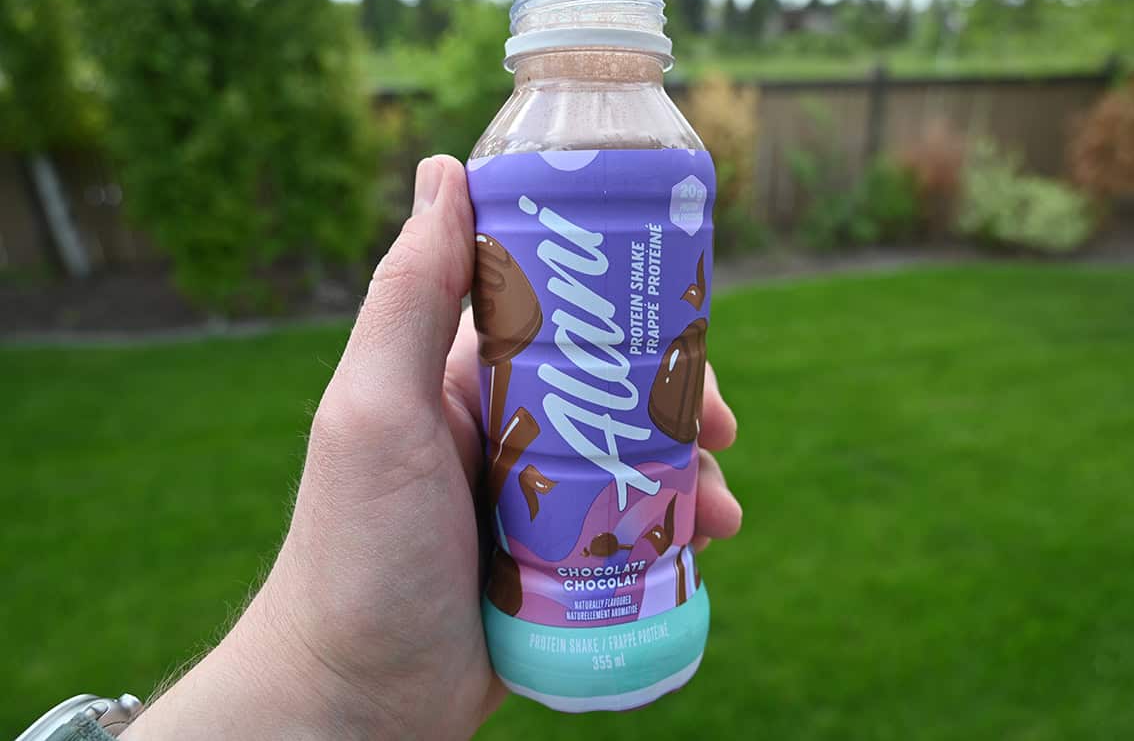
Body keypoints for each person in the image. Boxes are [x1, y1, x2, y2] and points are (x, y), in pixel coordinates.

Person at [42, 157, 743, 741]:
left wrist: (334, 684)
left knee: (654, 399)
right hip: (519, 610)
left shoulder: (666, 156)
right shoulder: (529, 153)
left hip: (628, 595)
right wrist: (333, 676)